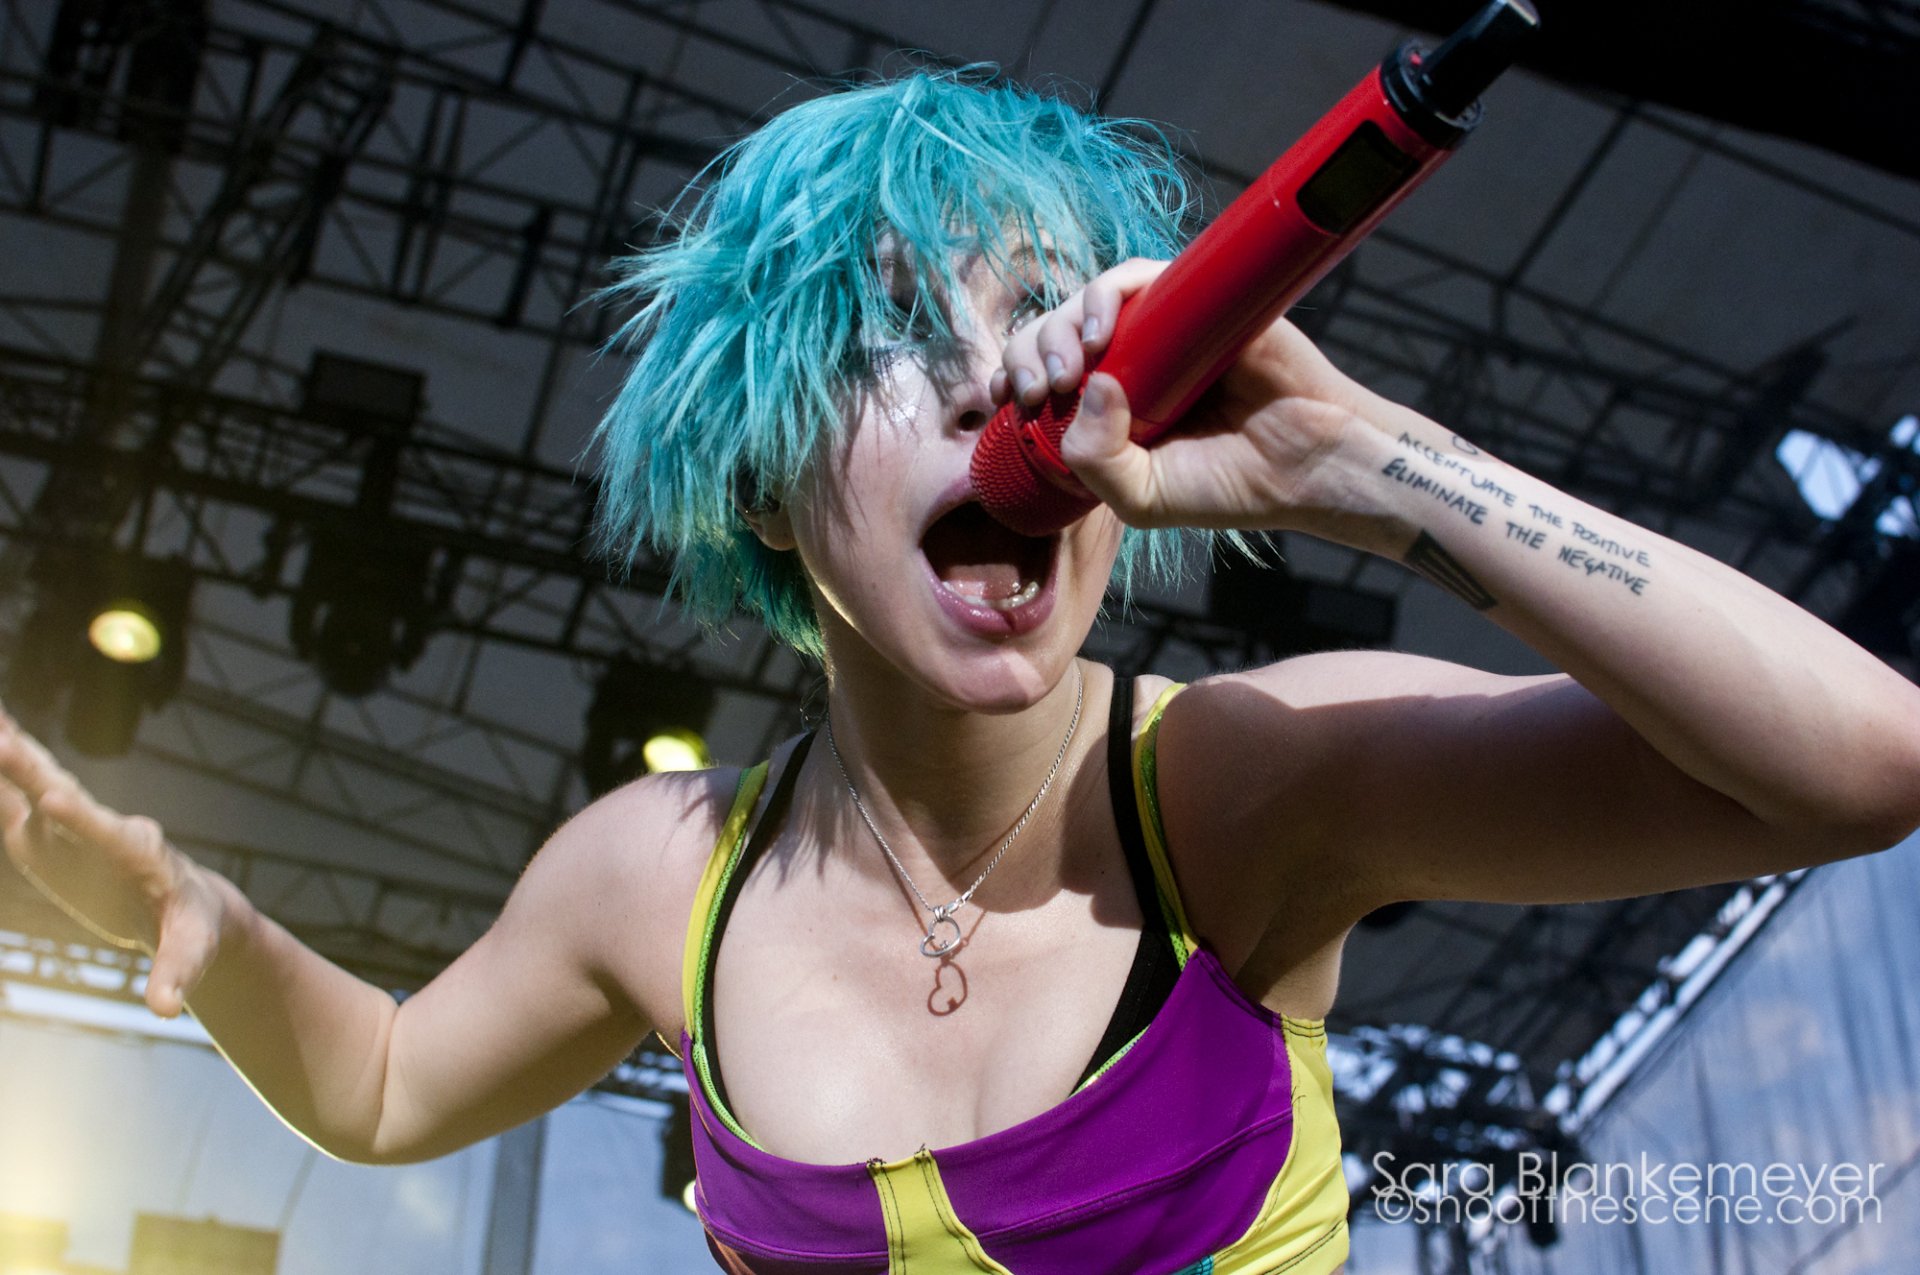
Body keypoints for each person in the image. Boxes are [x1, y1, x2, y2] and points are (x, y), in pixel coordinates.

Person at [4, 71, 1919, 1275]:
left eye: (1036, 320)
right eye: (895, 338)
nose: (991, 385)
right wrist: (204, 926)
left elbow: (1861, 766)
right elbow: (385, 1084)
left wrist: (1362, 461)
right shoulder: (655, 877)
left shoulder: (1241, 789)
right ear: (762, 484)